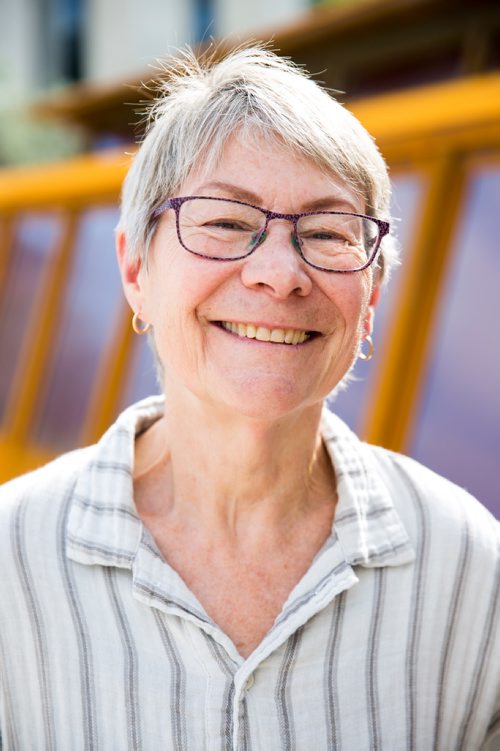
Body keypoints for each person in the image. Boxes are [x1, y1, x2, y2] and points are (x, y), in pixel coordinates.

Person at [0, 45, 498, 751]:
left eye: (327, 233)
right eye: (226, 222)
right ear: (136, 268)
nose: (279, 273)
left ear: (373, 295)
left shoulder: (469, 568)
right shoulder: (12, 561)